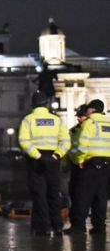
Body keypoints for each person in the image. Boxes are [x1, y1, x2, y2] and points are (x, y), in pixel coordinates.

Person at [18, 91, 70, 236]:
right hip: (54, 159)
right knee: (54, 193)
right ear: (46, 104)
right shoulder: (57, 120)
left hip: (36, 160)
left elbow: (24, 141)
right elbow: (66, 141)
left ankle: (45, 227)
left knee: (39, 195)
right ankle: (58, 226)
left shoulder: (28, 120)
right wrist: (56, 155)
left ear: (33, 105)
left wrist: (38, 156)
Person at [67, 99, 110, 235]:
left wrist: (80, 160)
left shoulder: (89, 123)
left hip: (90, 164)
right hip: (107, 165)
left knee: (82, 196)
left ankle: (79, 227)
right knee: (101, 197)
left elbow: (82, 145)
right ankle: (99, 227)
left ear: (91, 110)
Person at [66, 104, 89, 217]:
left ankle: (81, 219)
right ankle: (75, 220)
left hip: (87, 165)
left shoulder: (90, 129)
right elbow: (68, 148)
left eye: (81, 116)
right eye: (78, 116)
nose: (78, 118)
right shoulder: (73, 131)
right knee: (73, 192)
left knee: (83, 194)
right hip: (75, 165)